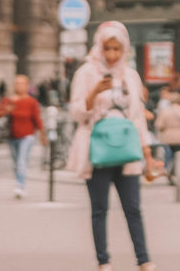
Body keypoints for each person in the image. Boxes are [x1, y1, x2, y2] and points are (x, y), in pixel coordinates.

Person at [67, 21, 157, 271]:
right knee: (99, 209)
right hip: (97, 150)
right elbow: (76, 113)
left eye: (117, 49)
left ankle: (144, 260)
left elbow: (138, 118)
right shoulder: (86, 72)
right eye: (107, 48)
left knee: (133, 208)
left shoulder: (130, 75)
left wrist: (147, 155)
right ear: (100, 46)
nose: (112, 55)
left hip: (127, 150)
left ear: (124, 49)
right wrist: (93, 93)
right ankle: (103, 261)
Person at [0, 74, 47, 198]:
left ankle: (20, 186)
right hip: (12, 136)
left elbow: (37, 119)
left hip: (27, 136)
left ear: (27, 86)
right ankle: (20, 183)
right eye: (17, 83)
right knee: (16, 162)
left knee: (21, 162)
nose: (19, 86)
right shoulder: (9, 100)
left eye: (22, 83)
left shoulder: (31, 102)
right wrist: (6, 110)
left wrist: (42, 134)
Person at [154, 92, 180, 178]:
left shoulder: (164, 111)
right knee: (179, 155)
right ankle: (175, 171)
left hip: (167, 136)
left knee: (168, 154)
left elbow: (158, 125)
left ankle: (167, 169)